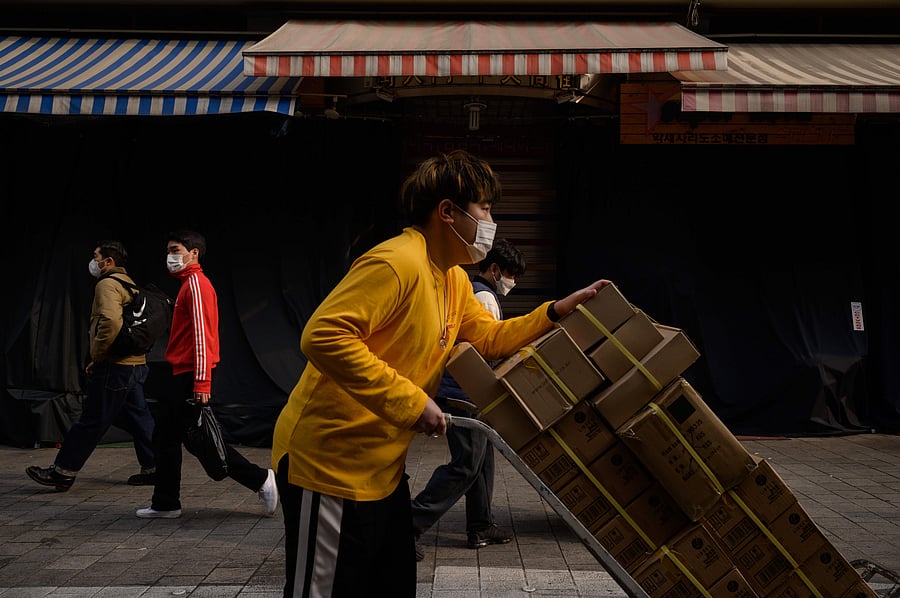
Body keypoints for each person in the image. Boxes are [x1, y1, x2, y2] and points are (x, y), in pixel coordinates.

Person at [271, 149, 612, 598]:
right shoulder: (397, 262)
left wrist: (553, 312)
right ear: (447, 212)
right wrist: (412, 403)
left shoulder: (451, 276)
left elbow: (487, 338)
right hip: (328, 465)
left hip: (383, 469)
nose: (491, 221)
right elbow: (323, 336)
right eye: (485, 208)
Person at [135, 229, 278, 519]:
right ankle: (165, 503)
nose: (170, 256)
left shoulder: (196, 285)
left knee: (200, 439)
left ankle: (261, 479)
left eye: (176, 250)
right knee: (168, 438)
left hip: (190, 375)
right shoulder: (188, 284)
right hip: (180, 373)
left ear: (194, 253)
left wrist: (202, 382)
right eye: (169, 251)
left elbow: (203, 337)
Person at [411, 238, 526, 560]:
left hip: (467, 393)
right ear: (494, 269)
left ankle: (480, 524)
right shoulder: (484, 298)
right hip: (464, 394)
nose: (512, 282)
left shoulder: (475, 292)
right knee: (465, 465)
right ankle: (410, 522)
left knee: (482, 461)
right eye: (511, 274)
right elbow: (490, 348)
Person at [26, 240, 156, 491]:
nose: (93, 261)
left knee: (92, 419)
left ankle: (63, 472)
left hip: (115, 366)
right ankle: (154, 467)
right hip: (135, 365)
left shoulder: (107, 284)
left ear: (109, 262)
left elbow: (109, 321)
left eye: (96, 256)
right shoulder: (130, 284)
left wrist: (98, 357)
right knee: (140, 417)